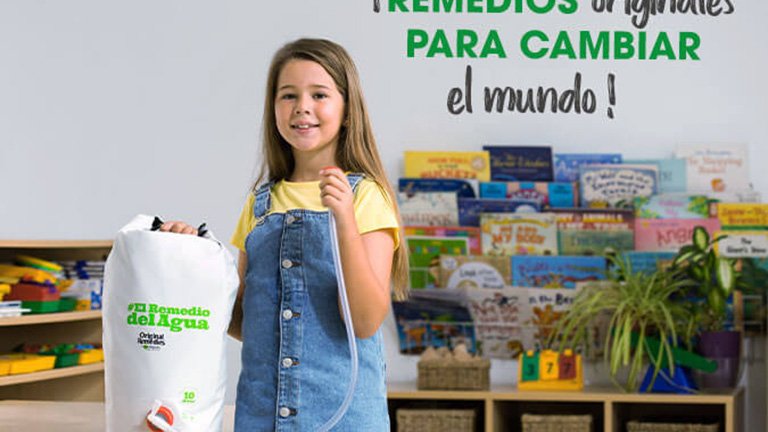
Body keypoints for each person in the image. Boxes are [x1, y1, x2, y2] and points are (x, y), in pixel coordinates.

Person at [159, 38, 408, 431]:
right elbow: (245, 319)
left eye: (319, 94)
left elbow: (363, 322)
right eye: (288, 95)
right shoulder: (259, 203)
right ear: (273, 108)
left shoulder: (366, 197)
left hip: (342, 420)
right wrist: (192, 261)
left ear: (347, 110)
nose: (302, 107)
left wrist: (342, 219)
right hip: (261, 417)